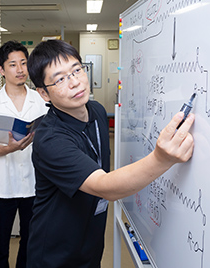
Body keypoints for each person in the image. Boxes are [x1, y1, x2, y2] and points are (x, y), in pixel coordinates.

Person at [25, 40, 195, 268]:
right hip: (56, 253)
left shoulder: (95, 111)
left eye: (77, 70)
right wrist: (162, 159)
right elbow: (104, 186)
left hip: (91, 241)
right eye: (60, 79)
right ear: (44, 93)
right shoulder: (49, 139)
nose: (75, 82)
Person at [0, 41, 48, 268]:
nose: (20, 69)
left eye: (24, 63)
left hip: (35, 186)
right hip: (2, 188)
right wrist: (12, 148)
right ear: (1, 69)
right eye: (13, 64)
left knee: (30, 244)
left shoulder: (42, 101)